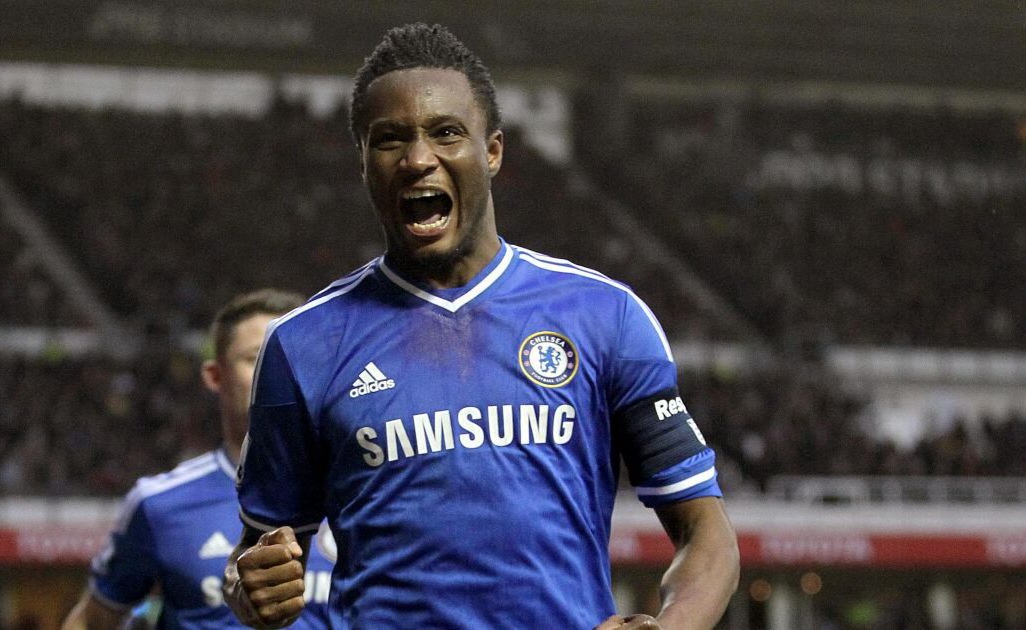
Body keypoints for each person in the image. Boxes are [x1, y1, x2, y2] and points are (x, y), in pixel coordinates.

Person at [225, 23, 739, 630]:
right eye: (389, 139)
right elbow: (255, 555)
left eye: (446, 132)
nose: (418, 159)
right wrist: (248, 586)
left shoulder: (605, 316)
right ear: (363, 164)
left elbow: (707, 534)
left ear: (492, 151)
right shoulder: (302, 345)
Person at [62, 289, 335, 630]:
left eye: (296, 358)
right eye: (257, 358)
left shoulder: (372, 491)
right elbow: (91, 620)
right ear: (215, 376)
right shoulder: (159, 505)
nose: (278, 374)